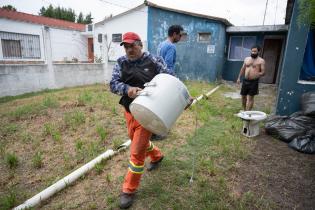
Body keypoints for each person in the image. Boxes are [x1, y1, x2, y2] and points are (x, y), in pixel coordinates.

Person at [109, 32, 174, 209]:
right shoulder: (121, 62)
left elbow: (169, 78)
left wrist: (183, 96)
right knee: (135, 140)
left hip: (149, 110)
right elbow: (113, 84)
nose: (129, 49)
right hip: (130, 110)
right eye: (126, 46)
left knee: (136, 151)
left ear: (140, 45)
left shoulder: (154, 60)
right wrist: (127, 88)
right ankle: (157, 155)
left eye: (132, 46)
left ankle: (128, 190)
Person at [236, 45, 266, 111]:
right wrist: (238, 78)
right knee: (243, 96)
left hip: (254, 81)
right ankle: (244, 111)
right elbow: (243, 68)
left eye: (255, 51)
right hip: (245, 80)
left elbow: (263, 72)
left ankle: (248, 112)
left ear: (259, 51)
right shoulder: (247, 59)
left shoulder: (261, 61)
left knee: (250, 98)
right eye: (252, 51)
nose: (253, 52)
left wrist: (257, 74)